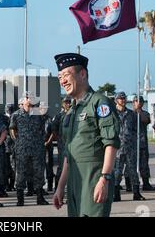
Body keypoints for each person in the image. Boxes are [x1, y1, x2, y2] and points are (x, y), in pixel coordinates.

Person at [52, 53, 120, 217]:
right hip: (74, 181)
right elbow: (69, 153)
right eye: (60, 77)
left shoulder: (99, 102)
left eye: (66, 75)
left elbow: (111, 143)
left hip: (93, 178)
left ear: (82, 74)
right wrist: (60, 187)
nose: (63, 81)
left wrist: (104, 178)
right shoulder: (71, 111)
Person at [10, 93, 49, 206]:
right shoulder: (16, 115)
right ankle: (20, 199)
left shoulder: (38, 115)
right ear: (24, 100)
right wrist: (18, 142)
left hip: (36, 149)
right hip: (22, 149)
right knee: (20, 173)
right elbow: (12, 130)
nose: (31, 100)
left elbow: (43, 130)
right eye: (29, 98)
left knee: (38, 172)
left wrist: (41, 142)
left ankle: (40, 197)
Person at [113, 92, 145, 202]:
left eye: (124, 98)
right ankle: (116, 194)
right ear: (116, 100)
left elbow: (137, 130)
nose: (122, 100)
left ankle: (136, 193)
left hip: (130, 147)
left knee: (133, 171)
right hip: (117, 148)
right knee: (117, 172)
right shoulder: (112, 114)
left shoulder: (132, 114)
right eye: (120, 98)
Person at [132, 95, 155, 191]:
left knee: (144, 165)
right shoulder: (130, 114)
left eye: (140, 101)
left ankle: (146, 184)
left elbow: (146, 121)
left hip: (142, 143)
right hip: (133, 143)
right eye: (136, 101)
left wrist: (138, 113)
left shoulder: (145, 114)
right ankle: (131, 184)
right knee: (132, 165)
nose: (138, 103)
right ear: (133, 103)